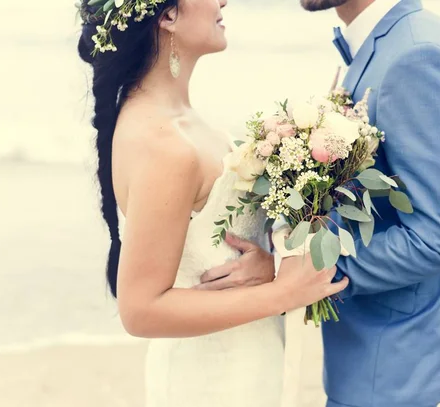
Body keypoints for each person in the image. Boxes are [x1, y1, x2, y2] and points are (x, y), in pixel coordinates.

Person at [76, 1, 348, 406]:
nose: (222, 1)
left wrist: (269, 265)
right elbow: (140, 310)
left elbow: (212, 241)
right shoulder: (163, 144)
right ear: (167, 16)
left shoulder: (178, 118)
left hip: (244, 360)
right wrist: (284, 293)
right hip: (213, 381)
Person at [299, 0, 440, 406]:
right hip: (370, 357)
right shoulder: (387, 46)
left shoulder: (419, 58)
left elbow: (434, 239)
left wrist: (301, 268)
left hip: (389, 366)